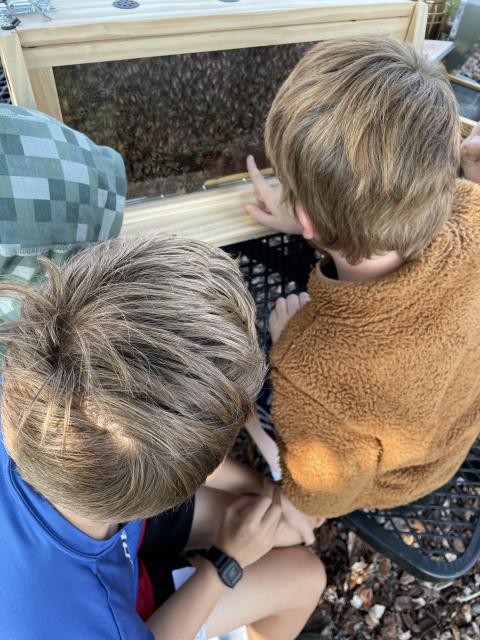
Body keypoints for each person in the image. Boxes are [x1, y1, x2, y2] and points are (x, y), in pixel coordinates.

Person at [0, 105, 326, 640]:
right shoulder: (92, 626)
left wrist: (266, 487)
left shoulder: (33, 370)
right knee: (305, 573)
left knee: (282, 524)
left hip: (92, 516)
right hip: (119, 600)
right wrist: (225, 566)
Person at [243, 35, 480, 518]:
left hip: (390, 482)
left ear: (307, 221)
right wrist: (310, 218)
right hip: (451, 427)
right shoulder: (472, 209)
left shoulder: (310, 369)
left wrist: (288, 345)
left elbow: (319, 498)